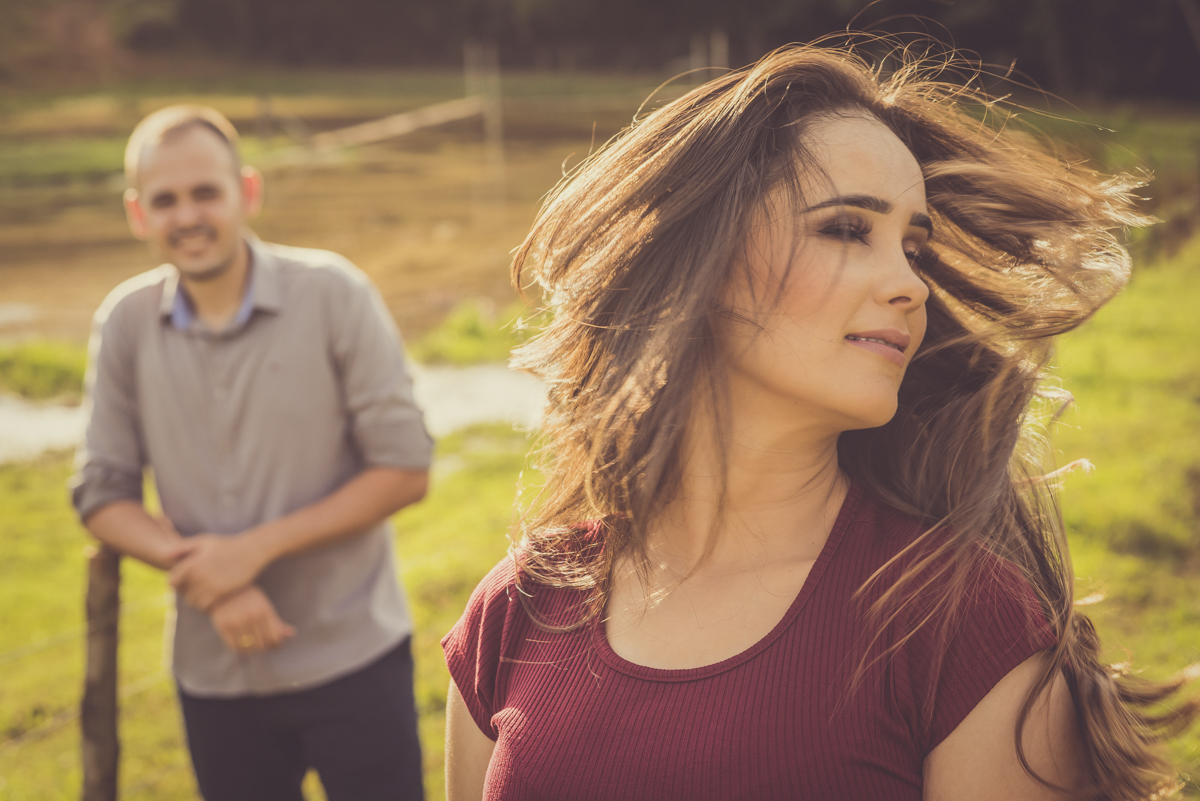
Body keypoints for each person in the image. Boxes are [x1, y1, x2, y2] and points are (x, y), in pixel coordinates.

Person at [441, 41, 1196, 801]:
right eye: (846, 230)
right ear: (700, 254)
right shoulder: (516, 609)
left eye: (914, 246)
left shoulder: (964, 629)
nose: (909, 284)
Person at [72, 105, 433, 801]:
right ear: (137, 213)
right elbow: (100, 493)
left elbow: (406, 467)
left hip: (354, 659)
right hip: (216, 677)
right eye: (165, 199)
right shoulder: (124, 322)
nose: (188, 215)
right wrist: (216, 577)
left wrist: (257, 547)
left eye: (206, 192)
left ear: (248, 192)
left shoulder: (335, 293)